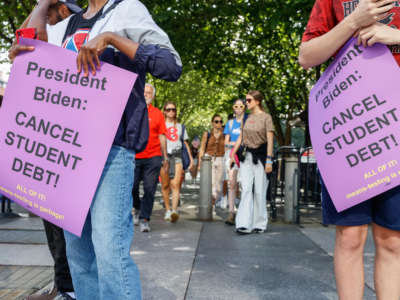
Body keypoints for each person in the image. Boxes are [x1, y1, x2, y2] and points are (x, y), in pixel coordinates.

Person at [10, 0, 182, 299]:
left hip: (111, 150)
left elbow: (170, 66)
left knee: (109, 253)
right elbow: (31, 44)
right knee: (79, 257)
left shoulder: (127, 9)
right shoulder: (68, 22)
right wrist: (41, 8)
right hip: (68, 152)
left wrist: (113, 39)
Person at [299, 0, 400, 299]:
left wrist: (395, 36)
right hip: (351, 133)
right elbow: (306, 56)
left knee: (392, 240)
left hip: (394, 130)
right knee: (350, 237)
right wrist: (353, 21)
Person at [19, 2, 82, 300]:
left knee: (64, 219)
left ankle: (69, 287)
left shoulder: (74, 28)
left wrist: (44, 5)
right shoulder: (47, 25)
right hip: (45, 134)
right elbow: (22, 41)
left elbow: (32, 38)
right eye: (61, 8)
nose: (65, 14)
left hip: (69, 137)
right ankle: (63, 284)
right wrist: (42, 5)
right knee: (50, 216)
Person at [230, 91, 274, 234]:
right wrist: (232, 154)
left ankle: (259, 223)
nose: (246, 103)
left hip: (261, 157)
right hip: (247, 156)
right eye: (246, 100)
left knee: (260, 190)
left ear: (257, 101)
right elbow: (241, 137)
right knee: (246, 189)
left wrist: (269, 160)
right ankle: (243, 223)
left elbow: (270, 141)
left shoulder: (266, 118)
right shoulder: (246, 118)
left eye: (249, 100)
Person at [132, 83, 168, 233]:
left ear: (152, 96)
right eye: (144, 92)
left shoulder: (158, 113)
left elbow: (162, 135)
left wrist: (165, 157)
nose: (146, 94)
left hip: (153, 156)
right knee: (132, 187)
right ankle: (137, 207)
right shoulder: (132, 110)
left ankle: (145, 219)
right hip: (134, 155)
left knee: (149, 188)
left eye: (149, 93)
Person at [160, 101, 193, 222]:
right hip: (164, 158)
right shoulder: (161, 124)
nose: (171, 112)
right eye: (168, 109)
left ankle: (174, 211)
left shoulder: (180, 126)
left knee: (175, 185)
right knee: (165, 185)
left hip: (177, 156)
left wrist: (190, 159)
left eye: (173, 109)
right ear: (164, 111)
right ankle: (167, 210)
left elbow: (185, 143)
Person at [223, 99, 246, 225]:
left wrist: (236, 144)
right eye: (235, 106)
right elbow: (226, 142)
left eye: (241, 106)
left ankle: (243, 212)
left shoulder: (247, 122)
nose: (238, 108)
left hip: (244, 156)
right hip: (232, 156)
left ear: (244, 107)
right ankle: (231, 212)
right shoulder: (230, 123)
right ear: (233, 108)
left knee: (243, 184)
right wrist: (237, 143)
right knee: (231, 183)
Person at [198, 114, 225, 206]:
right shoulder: (207, 133)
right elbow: (202, 148)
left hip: (221, 159)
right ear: (212, 123)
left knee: (219, 184)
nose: (219, 123)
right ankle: (212, 203)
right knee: (212, 182)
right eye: (216, 121)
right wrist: (199, 163)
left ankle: (215, 199)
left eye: (221, 121)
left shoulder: (225, 134)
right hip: (209, 159)